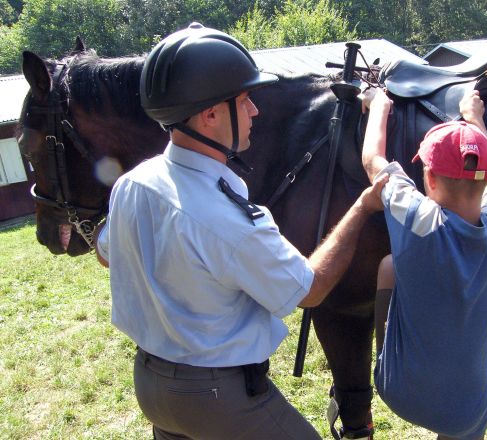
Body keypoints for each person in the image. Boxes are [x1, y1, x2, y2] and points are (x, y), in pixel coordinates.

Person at [94, 23, 386, 440]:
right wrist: (361, 207)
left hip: (151, 386)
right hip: (217, 398)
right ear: (210, 114)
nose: (255, 112)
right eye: (246, 100)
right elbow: (310, 289)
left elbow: (107, 252)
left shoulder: (134, 182)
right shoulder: (226, 217)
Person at [361, 87, 487, 440]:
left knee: (389, 265)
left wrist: (379, 105)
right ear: (486, 178)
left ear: (428, 179)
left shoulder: (419, 218)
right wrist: (475, 118)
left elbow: (373, 162)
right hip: (466, 411)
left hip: (399, 390)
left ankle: (388, 357)